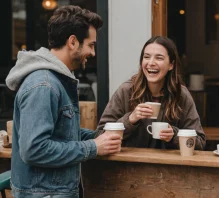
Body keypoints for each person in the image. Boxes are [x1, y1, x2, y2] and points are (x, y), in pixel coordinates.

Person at [5, 5, 122, 198]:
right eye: (91, 45)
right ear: (73, 42)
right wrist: (93, 147)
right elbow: (34, 149)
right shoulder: (44, 85)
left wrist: (98, 137)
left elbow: (60, 133)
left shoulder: (56, 81)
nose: (93, 53)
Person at [97, 36, 206, 150]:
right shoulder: (126, 91)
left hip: (168, 166)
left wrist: (174, 135)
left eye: (159, 58)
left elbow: (200, 142)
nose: (151, 63)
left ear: (171, 65)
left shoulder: (181, 95)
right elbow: (100, 135)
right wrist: (130, 120)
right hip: (130, 165)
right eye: (146, 57)